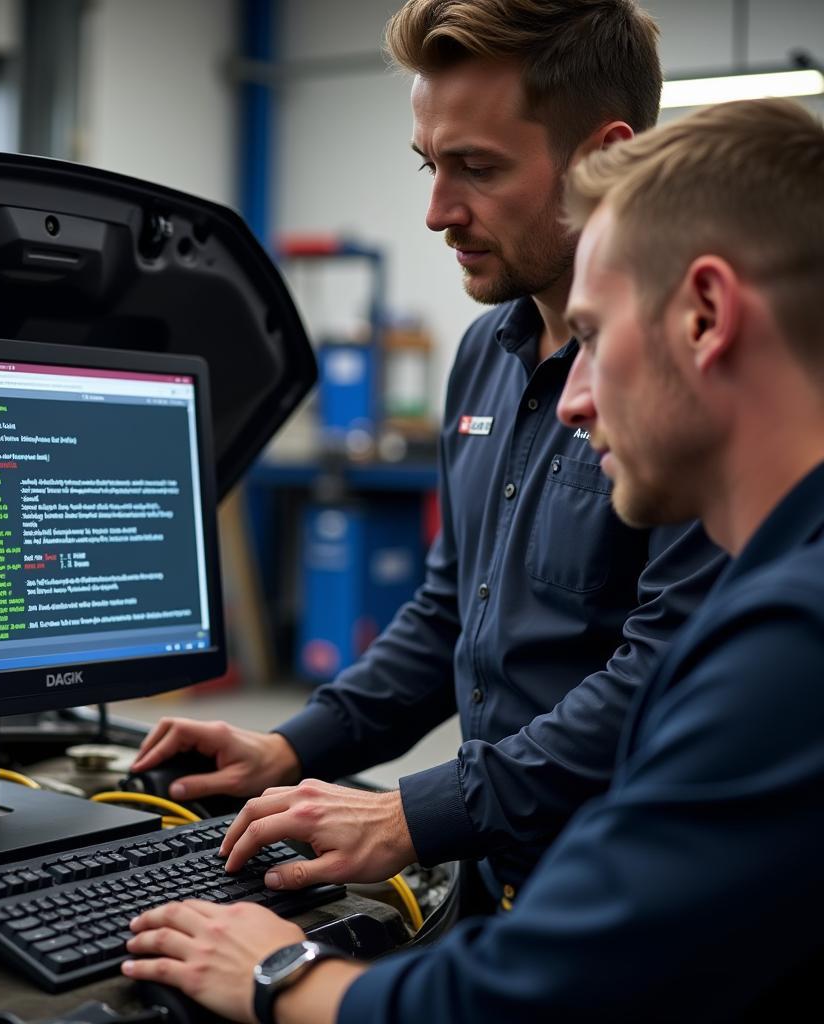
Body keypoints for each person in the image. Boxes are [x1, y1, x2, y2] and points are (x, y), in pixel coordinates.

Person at [122, 96, 824, 1022]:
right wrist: (297, 747)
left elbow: (543, 989)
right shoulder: (775, 595)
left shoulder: (788, 644)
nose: (573, 400)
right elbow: (454, 607)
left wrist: (286, 976)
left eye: (596, 339)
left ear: (704, 316)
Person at [133, 0, 723, 902]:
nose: (437, 211)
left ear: (604, 157)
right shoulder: (483, 355)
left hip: (628, 897)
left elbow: (669, 671)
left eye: (476, 169)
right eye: (430, 165)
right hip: (494, 872)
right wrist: (295, 745)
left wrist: (412, 816)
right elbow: (454, 609)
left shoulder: (692, 376)